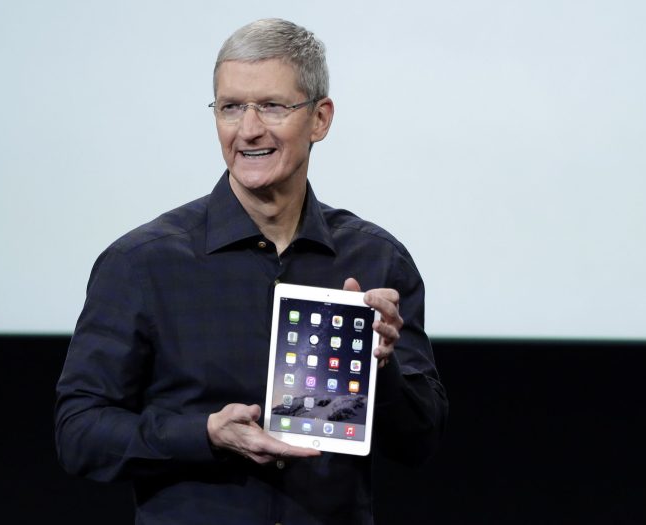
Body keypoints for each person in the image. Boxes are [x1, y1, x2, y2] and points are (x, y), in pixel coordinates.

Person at [55, 18, 447, 525]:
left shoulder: (374, 260)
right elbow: (78, 432)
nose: (249, 129)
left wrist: (380, 368)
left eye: (273, 106)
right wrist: (205, 434)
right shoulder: (143, 262)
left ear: (320, 119)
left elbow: (421, 442)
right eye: (231, 107)